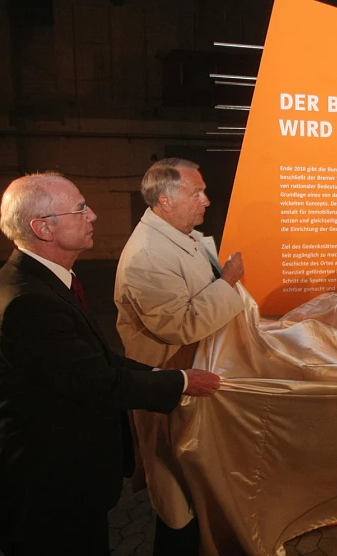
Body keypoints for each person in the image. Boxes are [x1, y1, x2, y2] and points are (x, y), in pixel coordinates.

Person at [0, 173, 222, 556]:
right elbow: (99, 383)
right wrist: (183, 382)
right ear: (43, 227)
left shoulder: (44, 281)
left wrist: (157, 373)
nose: (94, 215)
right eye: (80, 208)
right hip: (51, 483)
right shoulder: (28, 301)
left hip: (63, 474)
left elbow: (94, 358)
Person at [114, 158, 246, 555]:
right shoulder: (147, 257)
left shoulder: (180, 236)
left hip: (191, 376)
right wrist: (228, 282)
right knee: (173, 493)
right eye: (196, 193)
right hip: (170, 379)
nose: (206, 200)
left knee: (188, 482)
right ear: (166, 201)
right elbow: (181, 325)